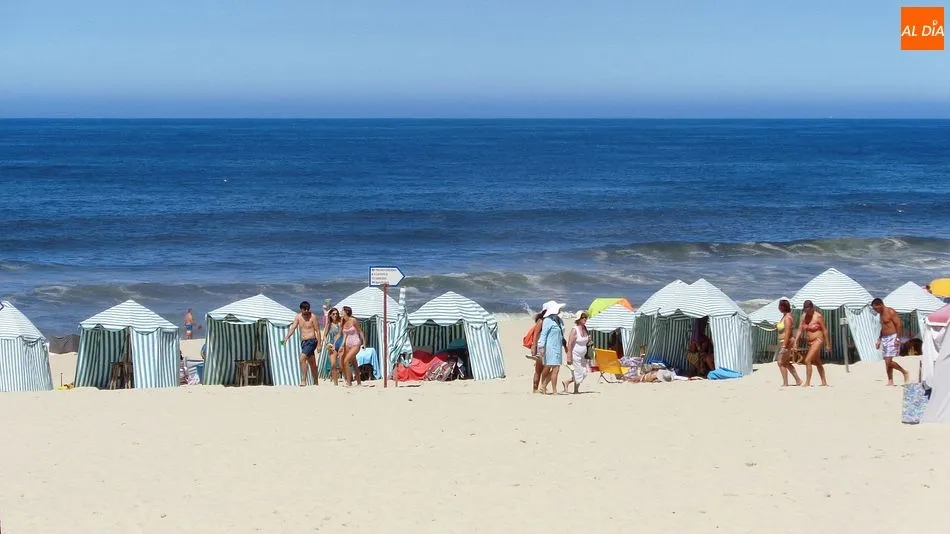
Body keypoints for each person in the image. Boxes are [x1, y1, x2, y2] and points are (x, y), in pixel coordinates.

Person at [282, 301, 323, 387]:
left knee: (302, 358)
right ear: (301, 309)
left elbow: (318, 331)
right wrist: (286, 338)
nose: (307, 311)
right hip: (304, 342)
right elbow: (293, 328)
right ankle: (316, 381)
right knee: (312, 362)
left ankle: (303, 380)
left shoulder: (313, 317)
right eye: (305, 309)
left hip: (312, 341)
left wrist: (319, 344)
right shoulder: (298, 317)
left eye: (308, 309)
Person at [872, 297, 909, 386]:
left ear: (880, 305)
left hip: (892, 337)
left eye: (875, 308)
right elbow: (883, 328)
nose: (875, 310)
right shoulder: (880, 314)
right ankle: (890, 380)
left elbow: (899, 324)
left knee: (888, 361)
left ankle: (904, 372)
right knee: (886, 361)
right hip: (885, 338)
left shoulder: (890, 311)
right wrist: (879, 339)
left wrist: (897, 338)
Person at [794, 300, 829, 387]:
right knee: (817, 362)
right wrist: (796, 341)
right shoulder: (803, 317)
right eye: (805, 310)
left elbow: (824, 330)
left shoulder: (818, 316)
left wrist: (828, 343)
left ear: (812, 308)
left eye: (808, 310)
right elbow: (799, 330)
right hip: (810, 342)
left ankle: (807, 383)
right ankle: (824, 382)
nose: (807, 312)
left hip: (818, 340)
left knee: (807, 360)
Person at [536, 300, 567, 394]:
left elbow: (561, 335)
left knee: (555, 368)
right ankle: (554, 390)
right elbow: (543, 334)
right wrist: (541, 347)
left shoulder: (559, 320)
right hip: (550, 347)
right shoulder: (548, 320)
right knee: (555, 368)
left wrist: (565, 346)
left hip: (557, 347)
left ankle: (544, 386)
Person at [775, 299, 803, 387]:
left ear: (783, 307)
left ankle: (785, 383)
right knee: (786, 363)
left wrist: (784, 346)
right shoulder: (785, 316)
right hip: (785, 342)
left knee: (780, 362)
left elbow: (788, 333)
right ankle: (798, 380)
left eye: (779, 306)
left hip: (787, 342)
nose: (778, 308)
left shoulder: (787, 318)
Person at [562, 311, 591, 394]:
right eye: (583, 317)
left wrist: (589, 340)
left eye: (586, 317)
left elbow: (586, 341)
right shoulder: (575, 330)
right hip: (575, 355)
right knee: (578, 373)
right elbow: (570, 343)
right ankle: (576, 390)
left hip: (583, 356)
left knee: (584, 372)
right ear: (579, 319)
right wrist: (569, 356)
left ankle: (567, 382)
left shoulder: (585, 329)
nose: (585, 319)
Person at [339, 306, 366, 387]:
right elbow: (344, 335)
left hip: (356, 342)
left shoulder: (353, 320)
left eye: (342, 311)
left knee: (346, 361)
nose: (341, 312)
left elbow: (360, 331)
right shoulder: (342, 321)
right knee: (354, 363)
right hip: (347, 343)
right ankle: (359, 382)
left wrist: (364, 342)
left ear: (346, 312)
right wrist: (341, 346)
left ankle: (349, 382)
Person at [323, 307, 344, 386]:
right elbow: (324, 336)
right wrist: (327, 343)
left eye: (336, 314)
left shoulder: (340, 322)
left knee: (342, 365)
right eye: (333, 314)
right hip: (332, 345)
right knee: (333, 365)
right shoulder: (329, 324)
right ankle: (336, 384)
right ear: (330, 315)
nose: (335, 315)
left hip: (341, 343)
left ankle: (347, 380)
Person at [527, 311, 545, 393]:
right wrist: (534, 347)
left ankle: (541, 387)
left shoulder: (546, 321)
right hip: (539, 347)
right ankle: (535, 388)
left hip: (544, 347)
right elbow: (536, 334)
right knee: (538, 369)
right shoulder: (541, 321)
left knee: (545, 368)